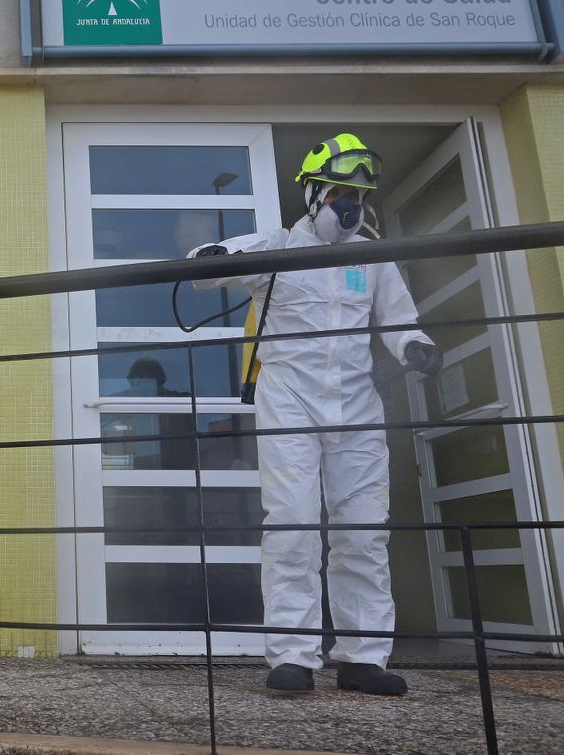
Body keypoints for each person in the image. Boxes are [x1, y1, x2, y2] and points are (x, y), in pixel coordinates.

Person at [186, 132, 441, 696]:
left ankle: (361, 657)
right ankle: (293, 657)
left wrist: (414, 347)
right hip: (290, 403)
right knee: (294, 528)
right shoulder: (276, 246)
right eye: (340, 194)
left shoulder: (372, 257)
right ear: (314, 195)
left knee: (363, 532)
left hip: (357, 407)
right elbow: (204, 272)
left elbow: (400, 320)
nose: (351, 206)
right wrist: (213, 255)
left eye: (359, 195)